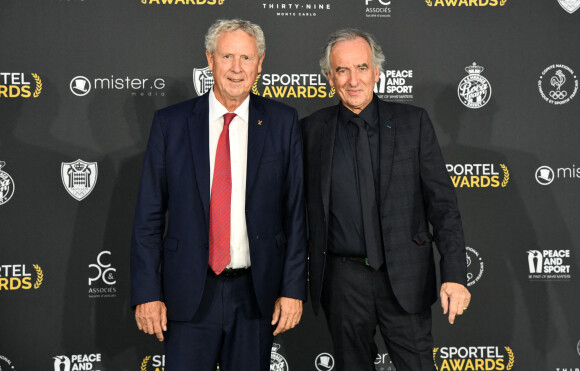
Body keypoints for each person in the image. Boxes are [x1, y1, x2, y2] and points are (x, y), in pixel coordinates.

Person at [130, 19, 307, 371]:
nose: (237, 69)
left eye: (246, 58)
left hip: (256, 295)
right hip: (188, 293)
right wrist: (148, 293)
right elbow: (148, 216)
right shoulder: (172, 124)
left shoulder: (282, 122)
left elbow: (295, 214)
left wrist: (292, 289)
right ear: (210, 60)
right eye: (228, 56)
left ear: (260, 63)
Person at [301, 28, 471, 371]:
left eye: (362, 67)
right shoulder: (309, 131)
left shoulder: (413, 123)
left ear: (377, 72)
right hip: (342, 282)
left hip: (405, 279)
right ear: (329, 77)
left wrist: (454, 274)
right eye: (342, 70)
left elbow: (443, 206)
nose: (353, 80)